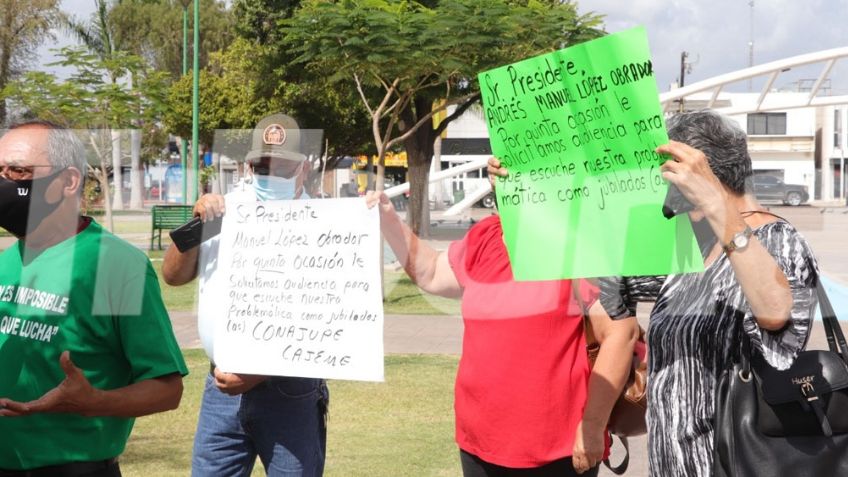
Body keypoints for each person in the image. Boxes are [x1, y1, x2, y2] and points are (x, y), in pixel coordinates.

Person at [490, 109, 820, 477]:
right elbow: (595, 274)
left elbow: (776, 314)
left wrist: (715, 204)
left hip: (733, 464)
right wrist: (526, 196)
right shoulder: (695, 248)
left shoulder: (776, 238)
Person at [365, 189, 640, 476]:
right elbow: (432, 272)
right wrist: (388, 220)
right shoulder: (486, 236)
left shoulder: (575, 241)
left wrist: (593, 426)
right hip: (479, 443)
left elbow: (621, 333)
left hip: (558, 450)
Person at [0, 120, 187, 476]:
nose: (5, 183)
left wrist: (94, 402)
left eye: (19, 171)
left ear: (68, 181)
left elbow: (167, 388)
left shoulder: (115, 266)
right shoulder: (6, 260)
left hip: (73, 468)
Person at [162, 113, 328, 477]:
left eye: (282, 167)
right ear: (248, 165)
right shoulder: (223, 211)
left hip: (290, 391)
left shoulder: (324, 223)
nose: (270, 174)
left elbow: (323, 317)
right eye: (262, 165)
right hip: (219, 388)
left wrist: (257, 372)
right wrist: (195, 225)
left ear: (303, 168)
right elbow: (172, 276)